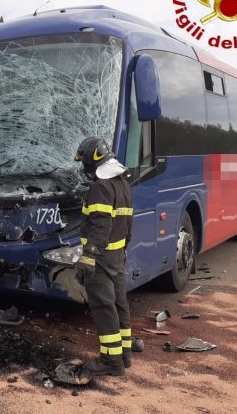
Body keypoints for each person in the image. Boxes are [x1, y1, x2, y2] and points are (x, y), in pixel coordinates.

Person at [74, 137, 134, 376]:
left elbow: (100, 227)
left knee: (103, 306)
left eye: (84, 162)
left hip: (101, 258)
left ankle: (111, 362)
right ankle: (124, 355)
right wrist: (123, 250)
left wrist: (87, 258)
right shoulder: (122, 184)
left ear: (93, 161)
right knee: (120, 304)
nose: (83, 168)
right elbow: (127, 225)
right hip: (117, 255)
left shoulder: (100, 187)